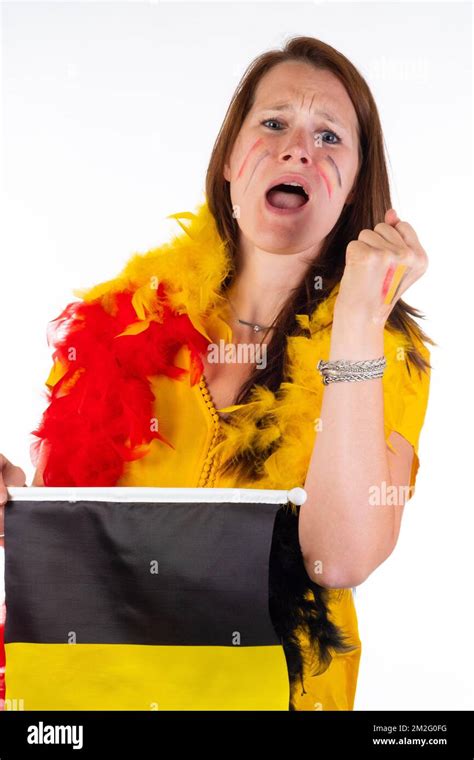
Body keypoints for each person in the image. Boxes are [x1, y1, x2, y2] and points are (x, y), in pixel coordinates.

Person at [0, 35, 433, 711]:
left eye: (329, 137)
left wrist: (356, 322)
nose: (298, 149)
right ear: (232, 158)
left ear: (353, 188)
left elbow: (338, 560)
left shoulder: (386, 356)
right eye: (274, 122)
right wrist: (19, 512)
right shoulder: (116, 328)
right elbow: (84, 548)